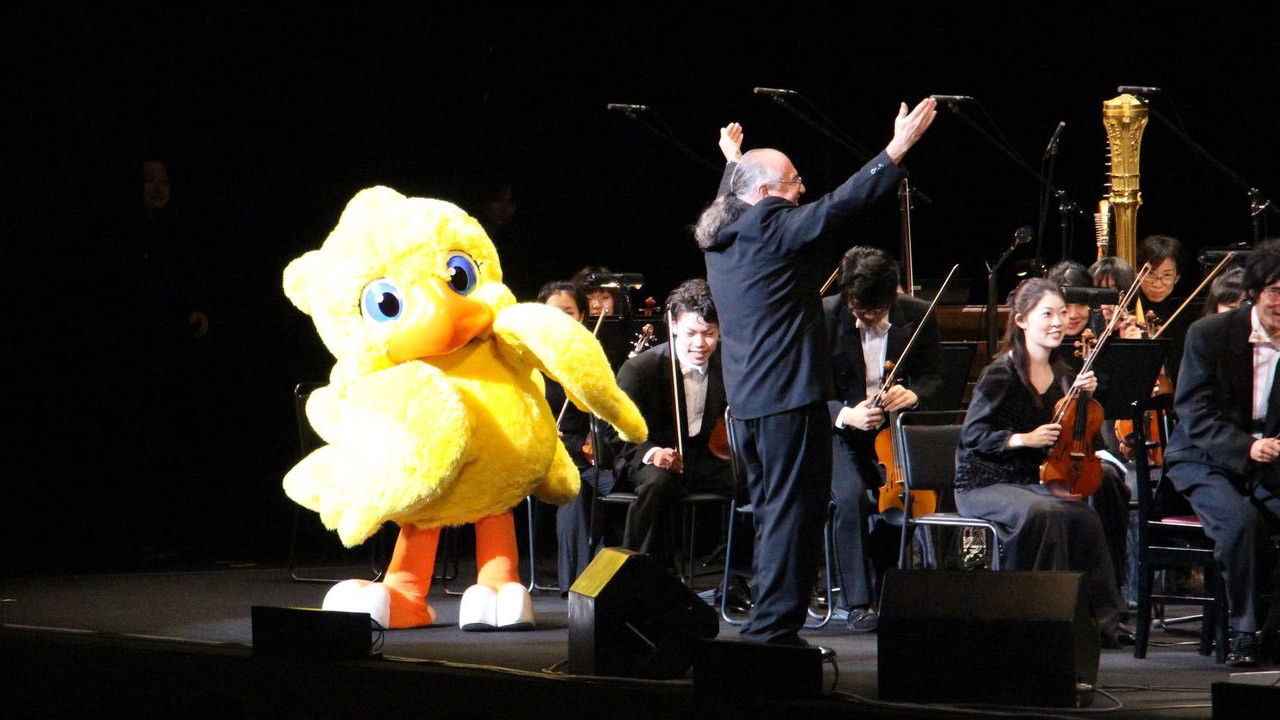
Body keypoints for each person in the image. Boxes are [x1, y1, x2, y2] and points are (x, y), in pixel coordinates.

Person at [695, 97, 936, 646]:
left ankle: (767, 625)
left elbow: (733, 196)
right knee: (794, 515)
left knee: (773, 513)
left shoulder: (721, 235)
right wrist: (895, 151)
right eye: (793, 182)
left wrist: (733, 160)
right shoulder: (771, 227)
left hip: (749, 405)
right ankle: (773, 632)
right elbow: (837, 207)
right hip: (788, 401)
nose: (801, 190)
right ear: (764, 194)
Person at [954, 278, 1125, 648]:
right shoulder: (1000, 373)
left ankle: (1098, 622)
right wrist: (1023, 439)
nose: (1058, 322)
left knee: (1083, 516)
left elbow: (1080, 439)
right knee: (1046, 512)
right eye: (1047, 314)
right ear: (1021, 320)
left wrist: (1084, 402)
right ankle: (1043, 617)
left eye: (1062, 313)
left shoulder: (1065, 376)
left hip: (1033, 482)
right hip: (984, 482)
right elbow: (972, 435)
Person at [1164, 239, 1280, 667]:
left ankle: (1274, 629)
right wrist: (1248, 447)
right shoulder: (1209, 334)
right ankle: (1243, 631)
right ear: (1254, 291)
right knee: (1241, 523)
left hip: (1269, 458)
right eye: (1276, 292)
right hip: (1204, 457)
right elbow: (1194, 412)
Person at [824, 246, 941, 632]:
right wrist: (846, 414)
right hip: (840, 432)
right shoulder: (823, 317)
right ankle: (857, 603)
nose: (869, 318)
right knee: (850, 497)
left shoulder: (919, 315)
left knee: (903, 497)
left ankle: (888, 584)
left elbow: (935, 377)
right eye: (860, 310)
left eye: (876, 310)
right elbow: (807, 388)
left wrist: (913, 395)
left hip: (892, 431)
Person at [611, 279, 732, 568]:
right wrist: (653, 453)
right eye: (691, 333)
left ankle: (745, 574)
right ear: (674, 325)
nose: (700, 344)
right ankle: (638, 572)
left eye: (709, 333)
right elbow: (613, 433)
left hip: (701, 459)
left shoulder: (728, 365)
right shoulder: (640, 369)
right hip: (647, 459)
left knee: (760, 480)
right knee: (658, 483)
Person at [536, 281, 609, 591]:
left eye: (569, 312)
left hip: (587, 452)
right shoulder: (530, 360)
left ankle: (610, 577)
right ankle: (579, 584)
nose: (561, 320)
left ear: (582, 317)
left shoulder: (593, 359)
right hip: (547, 452)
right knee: (574, 487)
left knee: (620, 487)